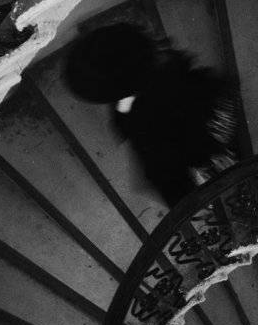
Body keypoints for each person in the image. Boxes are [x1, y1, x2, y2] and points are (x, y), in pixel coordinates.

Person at [62, 23, 242, 206]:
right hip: (203, 139)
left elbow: (172, 185)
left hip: (194, 150)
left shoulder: (145, 123)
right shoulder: (179, 76)